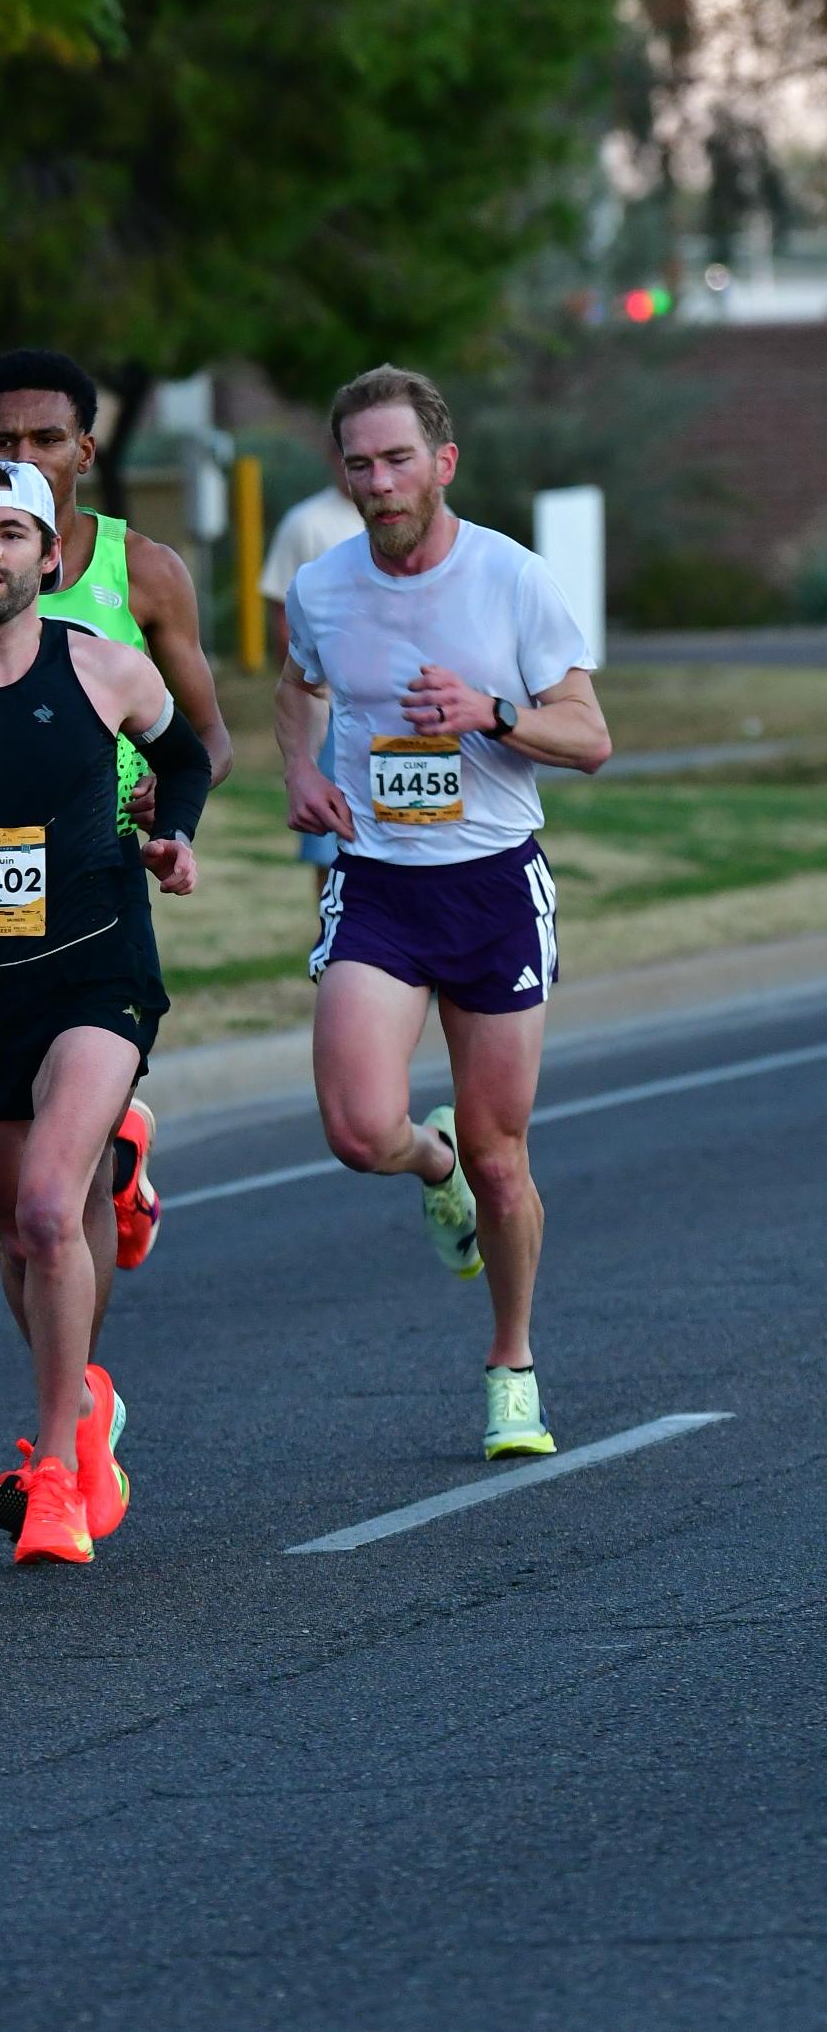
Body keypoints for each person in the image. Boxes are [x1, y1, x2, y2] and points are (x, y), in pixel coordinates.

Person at [0, 456, 212, 1567]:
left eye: (12, 534)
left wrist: (172, 832)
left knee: (55, 1212)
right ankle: (85, 1404)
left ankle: (54, 1469)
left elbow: (186, 756)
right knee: (22, 1235)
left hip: (94, 967)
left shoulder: (102, 667)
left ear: (49, 556)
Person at [274, 364, 611, 1462]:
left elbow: (589, 737)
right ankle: (433, 1169)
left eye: (397, 460)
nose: (379, 483)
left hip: (492, 889)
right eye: (359, 465)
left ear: (442, 463)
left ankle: (511, 1366)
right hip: (377, 884)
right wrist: (300, 770)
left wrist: (491, 712)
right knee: (356, 1130)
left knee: (502, 1155)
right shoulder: (322, 587)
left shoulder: (510, 579)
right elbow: (298, 685)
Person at [0, 346, 232, 1271]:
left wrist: (171, 814)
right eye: (1, 440)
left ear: (85, 451)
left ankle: (103, 1150)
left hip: (102, 872)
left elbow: (208, 740)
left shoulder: (144, 571)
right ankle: (111, 1157)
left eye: (47, 438)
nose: (25, 454)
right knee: (30, 1213)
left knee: (57, 1191)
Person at [257, 440, 366, 905]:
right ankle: (333, 927)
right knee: (329, 834)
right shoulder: (306, 522)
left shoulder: (410, 519)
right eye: (350, 456)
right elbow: (283, 612)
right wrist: (305, 687)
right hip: (331, 707)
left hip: (399, 707)